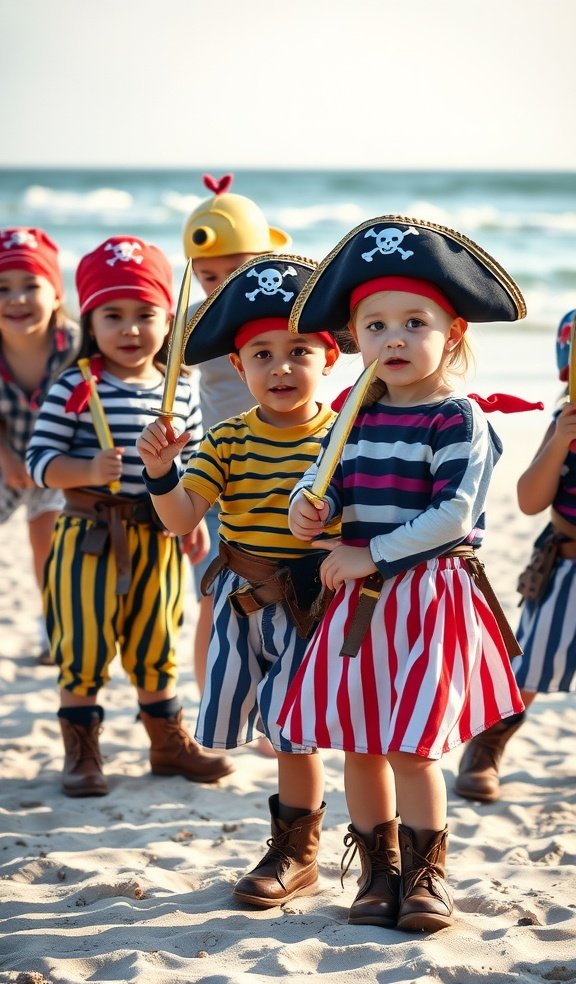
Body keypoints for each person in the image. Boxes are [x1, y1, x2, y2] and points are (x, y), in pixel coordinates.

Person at [277, 216, 527, 933]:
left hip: (425, 596)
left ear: (452, 331)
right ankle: (378, 873)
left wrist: (370, 554)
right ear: (355, 338)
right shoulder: (353, 415)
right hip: (360, 602)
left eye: (415, 322)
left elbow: (453, 514)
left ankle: (425, 876)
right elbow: (322, 482)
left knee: (410, 746)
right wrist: (310, 510)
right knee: (360, 741)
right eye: (375, 325)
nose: (394, 338)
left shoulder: (457, 418)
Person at [137, 254, 340, 907]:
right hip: (245, 604)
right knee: (273, 729)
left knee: (297, 733)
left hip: (319, 603)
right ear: (236, 365)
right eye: (261, 354)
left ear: (330, 358)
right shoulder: (226, 440)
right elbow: (180, 520)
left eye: (299, 351)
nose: (280, 367)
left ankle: (300, 853)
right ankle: (294, 848)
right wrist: (161, 472)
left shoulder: (343, 438)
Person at [25, 235, 233, 797]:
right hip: (87, 535)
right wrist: (86, 468)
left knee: (156, 640)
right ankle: (82, 750)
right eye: (112, 315)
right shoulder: (76, 384)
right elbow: (39, 462)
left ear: (169, 320)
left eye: (145, 314)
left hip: (158, 534)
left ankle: (167, 745)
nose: (130, 329)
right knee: (83, 641)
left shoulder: (179, 389)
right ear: (90, 323)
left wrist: (192, 519)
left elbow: (195, 464)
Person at [454, 306, 576, 803]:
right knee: (530, 666)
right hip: (567, 565)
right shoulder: (564, 424)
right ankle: (487, 745)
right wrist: (561, 442)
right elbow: (529, 500)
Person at [182, 173, 291, 697]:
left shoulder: (287, 318)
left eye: (236, 271)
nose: (222, 285)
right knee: (213, 594)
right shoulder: (193, 323)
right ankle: (211, 703)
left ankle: (280, 707)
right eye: (208, 276)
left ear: (266, 260)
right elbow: (163, 389)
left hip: (288, 469)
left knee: (287, 595)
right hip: (220, 476)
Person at [0, 227, 78, 663]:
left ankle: (55, 626)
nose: (16, 299)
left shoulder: (76, 346)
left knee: (46, 538)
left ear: (55, 293)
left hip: (61, 456)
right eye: (3, 289)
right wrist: (8, 458)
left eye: (31, 285)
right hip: (7, 452)